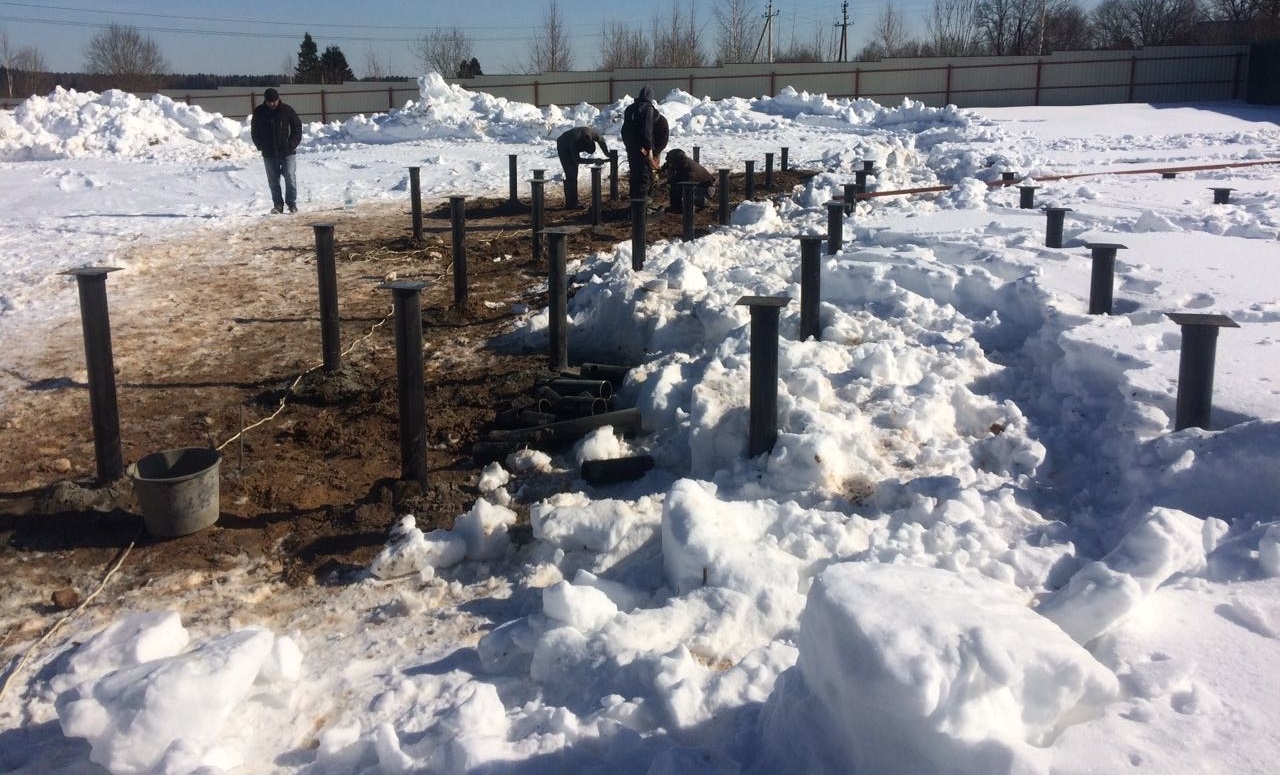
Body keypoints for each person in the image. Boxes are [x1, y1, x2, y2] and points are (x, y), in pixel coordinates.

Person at [251, 88, 303, 214]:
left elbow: (297, 127)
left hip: (287, 152)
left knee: (290, 177)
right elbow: (254, 130)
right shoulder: (259, 112)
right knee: (273, 181)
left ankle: (291, 203)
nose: (272, 104)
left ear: (278, 99)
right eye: (269, 102)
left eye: (274, 101)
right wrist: (260, 145)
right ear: (265, 101)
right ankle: (278, 205)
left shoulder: (287, 110)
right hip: (269, 154)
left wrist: (292, 144)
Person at [620, 85, 668, 204]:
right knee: (644, 174)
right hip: (643, 149)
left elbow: (624, 130)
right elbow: (647, 130)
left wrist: (629, 146)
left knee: (634, 173)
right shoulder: (648, 109)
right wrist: (649, 148)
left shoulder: (630, 109)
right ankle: (643, 204)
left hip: (632, 148)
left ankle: (634, 202)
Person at [555, 126, 609, 209]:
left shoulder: (592, 134)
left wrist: (607, 153)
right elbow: (577, 160)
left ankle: (574, 200)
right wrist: (594, 161)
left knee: (574, 173)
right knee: (571, 174)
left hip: (570, 141)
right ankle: (571, 203)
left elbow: (601, 140)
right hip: (563, 147)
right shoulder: (575, 141)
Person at [660, 149, 715, 213]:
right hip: (699, 186)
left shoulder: (690, 170)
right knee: (676, 188)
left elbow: (682, 180)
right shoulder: (684, 162)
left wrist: (668, 182)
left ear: (676, 161)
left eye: (671, 162)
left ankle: (704, 203)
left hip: (706, 189)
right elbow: (671, 166)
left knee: (685, 193)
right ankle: (676, 208)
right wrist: (665, 167)